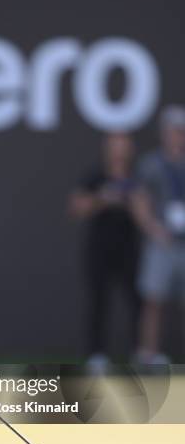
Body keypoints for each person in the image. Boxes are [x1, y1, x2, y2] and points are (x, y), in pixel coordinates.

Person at [69, 133, 141, 370]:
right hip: (100, 249)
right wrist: (103, 199)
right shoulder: (95, 177)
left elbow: (149, 210)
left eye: (123, 146)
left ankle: (141, 352)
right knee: (99, 301)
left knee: (137, 301)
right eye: (114, 146)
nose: (119, 151)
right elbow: (76, 207)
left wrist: (133, 203)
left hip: (130, 248)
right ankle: (97, 355)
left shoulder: (138, 178)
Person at [132, 105, 185, 363]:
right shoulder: (151, 164)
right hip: (162, 241)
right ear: (164, 133)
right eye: (175, 131)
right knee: (154, 300)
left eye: (182, 131)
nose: (179, 136)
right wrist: (153, 228)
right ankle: (148, 354)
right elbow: (139, 199)